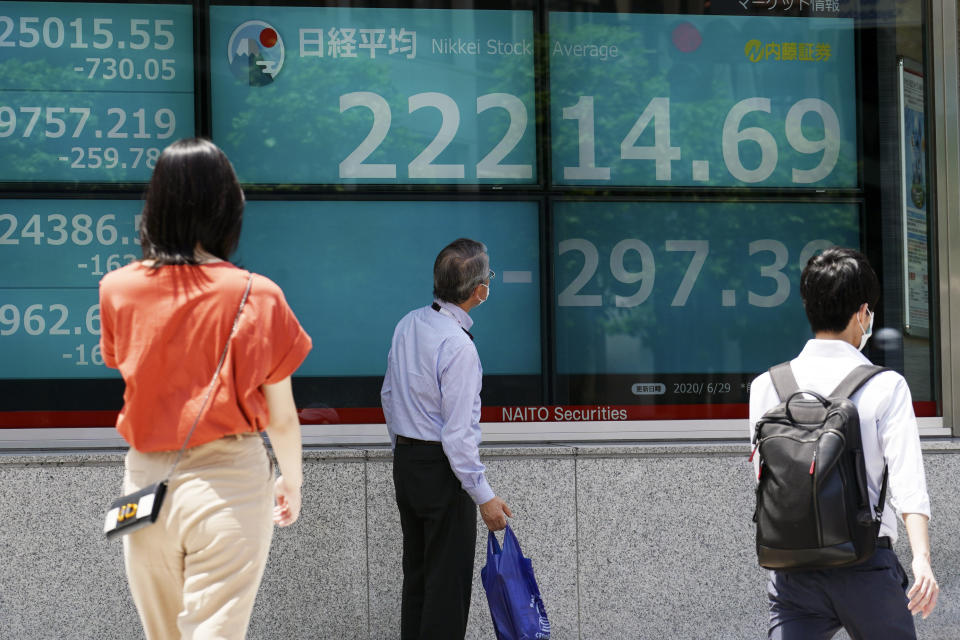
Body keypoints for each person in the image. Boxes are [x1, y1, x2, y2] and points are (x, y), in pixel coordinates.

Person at [99, 138, 312, 639]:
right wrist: (292, 482)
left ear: (155, 206)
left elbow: (128, 369)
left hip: (146, 483)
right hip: (229, 481)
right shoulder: (258, 295)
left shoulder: (118, 289)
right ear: (226, 208)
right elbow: (281, 416)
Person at [749, 247, 938, 639]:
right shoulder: (886, 386)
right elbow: (907, 482)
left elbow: (765, 476)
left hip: (792, 570)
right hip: (865, 562)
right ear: (861, 313)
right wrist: (921, 559)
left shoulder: (766, 386)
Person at [380, 238, 513, 640]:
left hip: (408, 466)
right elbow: (458, 435)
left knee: (418, 578)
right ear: (478, 291)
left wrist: (403, 454)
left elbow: (388, 396)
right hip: (442, 472)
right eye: (488, 277)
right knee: (446, 586)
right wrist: (484, 496)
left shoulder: (408, 324)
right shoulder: (458, 346)